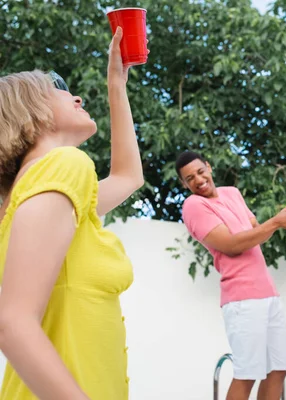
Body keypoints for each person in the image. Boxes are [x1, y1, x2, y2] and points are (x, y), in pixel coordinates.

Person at [0, 27, 143, 400]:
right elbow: (12, 323)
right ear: (31, 113)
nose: (77, 96)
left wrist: (117, 84)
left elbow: (128, 177)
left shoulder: (37, 194)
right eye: (60, 90)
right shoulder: (64, 165)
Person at [176, 150, 286, 400]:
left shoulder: (232, 193)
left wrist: (284, 219)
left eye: (200, 172)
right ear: (184, 183)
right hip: (242, 299)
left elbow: (255, 232)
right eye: (190, 178)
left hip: (268, 293)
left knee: (279, 368)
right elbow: (231, 244)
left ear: (209, 167)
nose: (198, 180)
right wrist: (275, 222)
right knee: (247, 374)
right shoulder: (193, 205)